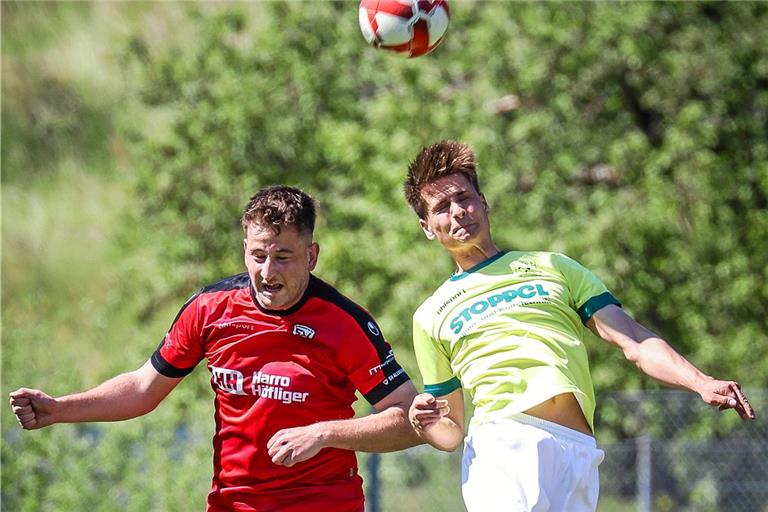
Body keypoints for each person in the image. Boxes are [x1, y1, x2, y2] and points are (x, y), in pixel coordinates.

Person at [9, 185, 421, 512]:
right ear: (245, 248)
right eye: (258, 255)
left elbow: (410, 418)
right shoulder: (210, 309)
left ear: (311, 256)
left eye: (283, 256)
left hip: (320, 504)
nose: (267, 271)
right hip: (231, 504)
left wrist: (324, 433)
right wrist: (61, 409)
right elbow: (142, 389)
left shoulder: (344, 323)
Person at [402, 140, 756, 512]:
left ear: (484, 201)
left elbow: (634, 341)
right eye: (442, 207)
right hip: (502, 445)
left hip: (577, 450)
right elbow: (450, 431)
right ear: (427, 227)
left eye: (464, 197)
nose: (458, 211)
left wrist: (700, 382)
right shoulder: (431, 314)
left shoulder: (554, 267)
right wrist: (422, 421)